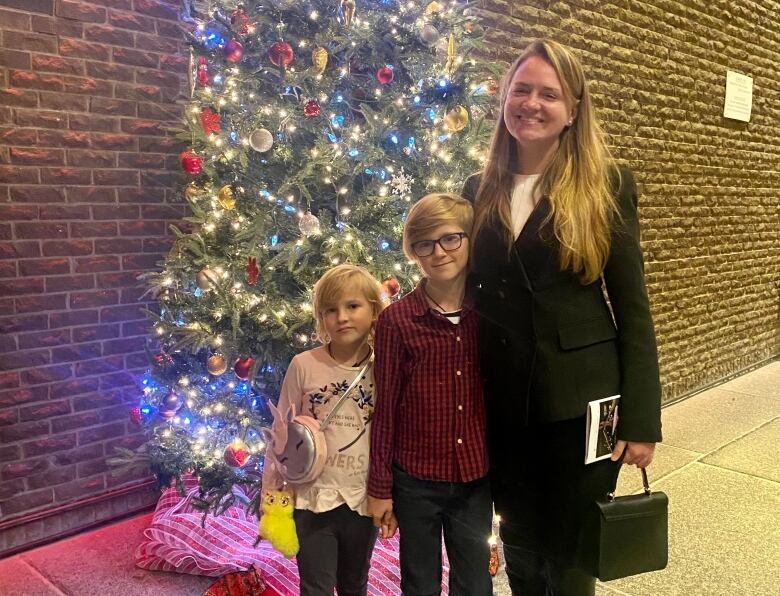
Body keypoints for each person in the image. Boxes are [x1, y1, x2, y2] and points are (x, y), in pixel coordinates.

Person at [461, 39, 663, 596]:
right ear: (504, 99)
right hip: (502, 399)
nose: (531, 103)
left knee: (572, 551)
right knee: (521, 540)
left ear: (573, 109)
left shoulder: (606, 185)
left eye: (548, 94)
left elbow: (633, 306)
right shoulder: (477, 191)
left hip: (584, 401)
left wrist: (643, 418)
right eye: (520, 90)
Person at [367, 193, 493, 596]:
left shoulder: (489, 312)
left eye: (450, 239)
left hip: (474, 476)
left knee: (474, 582)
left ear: (469, 239)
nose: (439, 252)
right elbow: (385, 409)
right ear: (413, 252)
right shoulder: (396, 321)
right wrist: (380, 488)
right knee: (419, 582)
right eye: (425, 244)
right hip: (416, 480)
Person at [262, 264, 386, 596]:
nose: (342, 317)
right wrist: (272, 494)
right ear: (321, 317)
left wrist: (391, 495)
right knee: (315, 586)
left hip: (361, 499)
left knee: (354, 583)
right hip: (311, 498)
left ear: (374, 310)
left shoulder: (385, 366)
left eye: (353, 306)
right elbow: (281, 435)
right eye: (331, 310)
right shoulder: (303, 365)